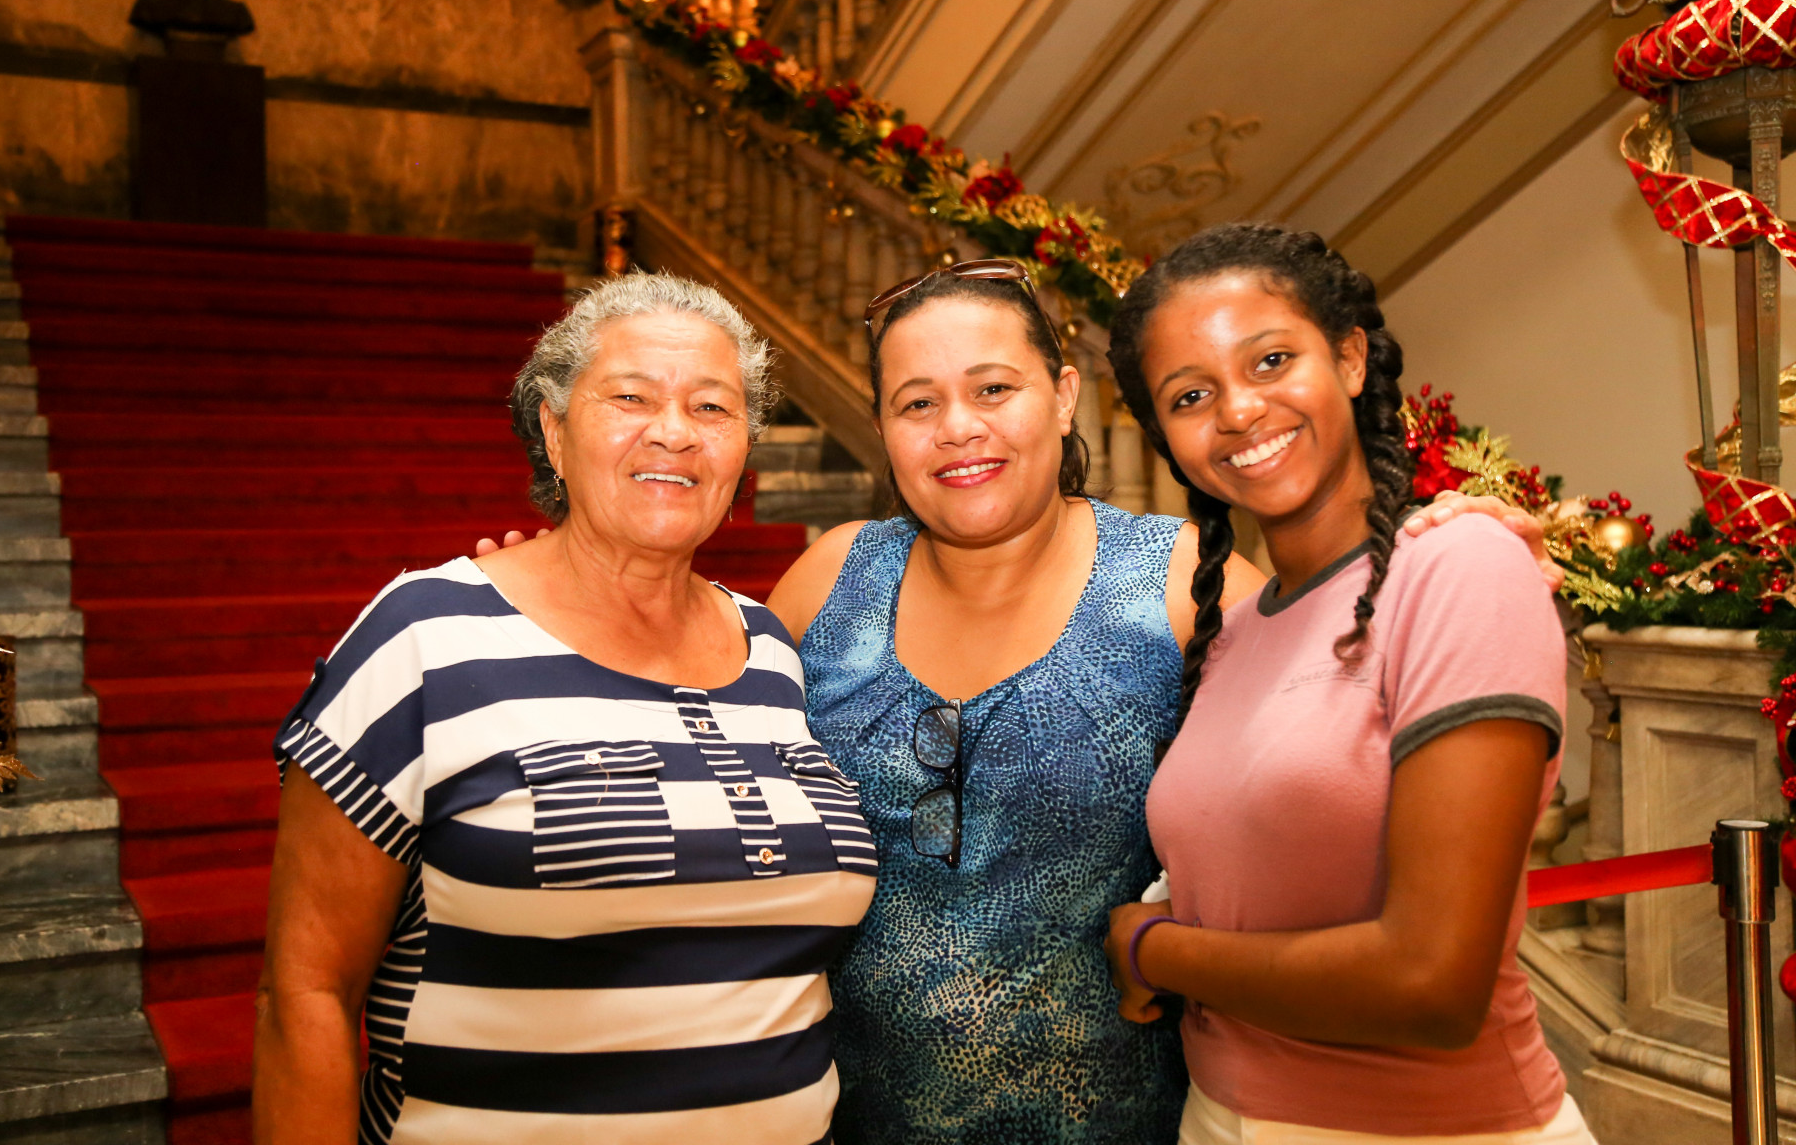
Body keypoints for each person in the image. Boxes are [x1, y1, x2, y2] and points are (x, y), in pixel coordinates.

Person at [478, 260, 1556, 1144]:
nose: (959, 427)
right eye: (917, 403)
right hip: (849, 1116)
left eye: (994, 388)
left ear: (1064, 395)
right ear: (884, 426)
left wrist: (1439, 547)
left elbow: (1335, 684)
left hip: (1133, 1122)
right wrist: (561, 588)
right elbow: (685, 705)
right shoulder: (833, 578)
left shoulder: (1179, 582)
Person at [252, 273, 877, 1145]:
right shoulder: (424, 635)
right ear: (553, 429)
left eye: (711, 407)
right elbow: (308, 993)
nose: (673, 431)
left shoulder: (771, 647)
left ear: (744, 448)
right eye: (630, 397)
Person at [1102, 224, 1595, 1145]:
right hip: (1218, 1119)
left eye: (1272, 360)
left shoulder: (1458, 569)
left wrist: (1149, 947)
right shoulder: (1234, 633)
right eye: (1190, 395)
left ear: (1351, 357)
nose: (1238, 411)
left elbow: (1432, 986)